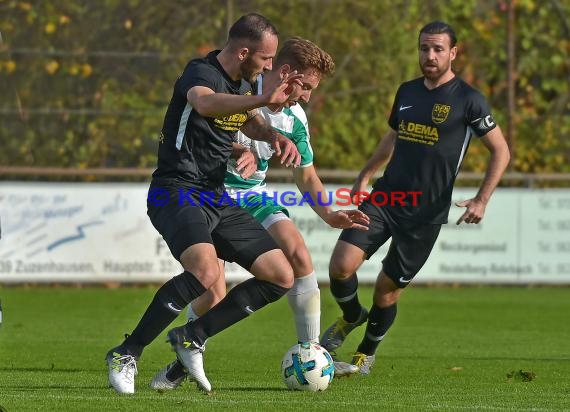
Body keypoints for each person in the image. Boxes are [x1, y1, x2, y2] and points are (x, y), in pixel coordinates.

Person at [149, 37, 371, 391]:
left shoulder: (295, 117)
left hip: (251, 195)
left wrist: (329, 214)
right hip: (210, 193)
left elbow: (307, 175)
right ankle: (181, 362)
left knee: (297, 252)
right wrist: (236, 151)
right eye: (307, 86)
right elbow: (198, 137)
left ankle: (311, 353)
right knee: (211, 294)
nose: (309, 97)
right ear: (286, 73)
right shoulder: (237, 91)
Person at [105, 13, 307, 394]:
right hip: (176, 189)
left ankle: (192, 336)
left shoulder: (241, 82)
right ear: (245, 51)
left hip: (214, 194)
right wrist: (265, 96)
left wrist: (270, 137)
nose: (268, 67)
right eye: (266, 59)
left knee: (280, 274)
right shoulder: (201, 72)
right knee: (205, 272)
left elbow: (247, 120)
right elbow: (205, 104)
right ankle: (126, 352)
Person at [320, 21, 510, 375]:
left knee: (386, 292)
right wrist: (365, 174)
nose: (430, 55)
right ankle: (350, 316)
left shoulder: (469, 99)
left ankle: (365, 353)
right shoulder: (407, 91)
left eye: (438, 49)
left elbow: (501, 151)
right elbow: (392, 138)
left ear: (454, 52)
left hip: (425, 213)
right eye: (424, 48)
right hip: (386, 198)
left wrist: (482, 199)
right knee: (340, 266)